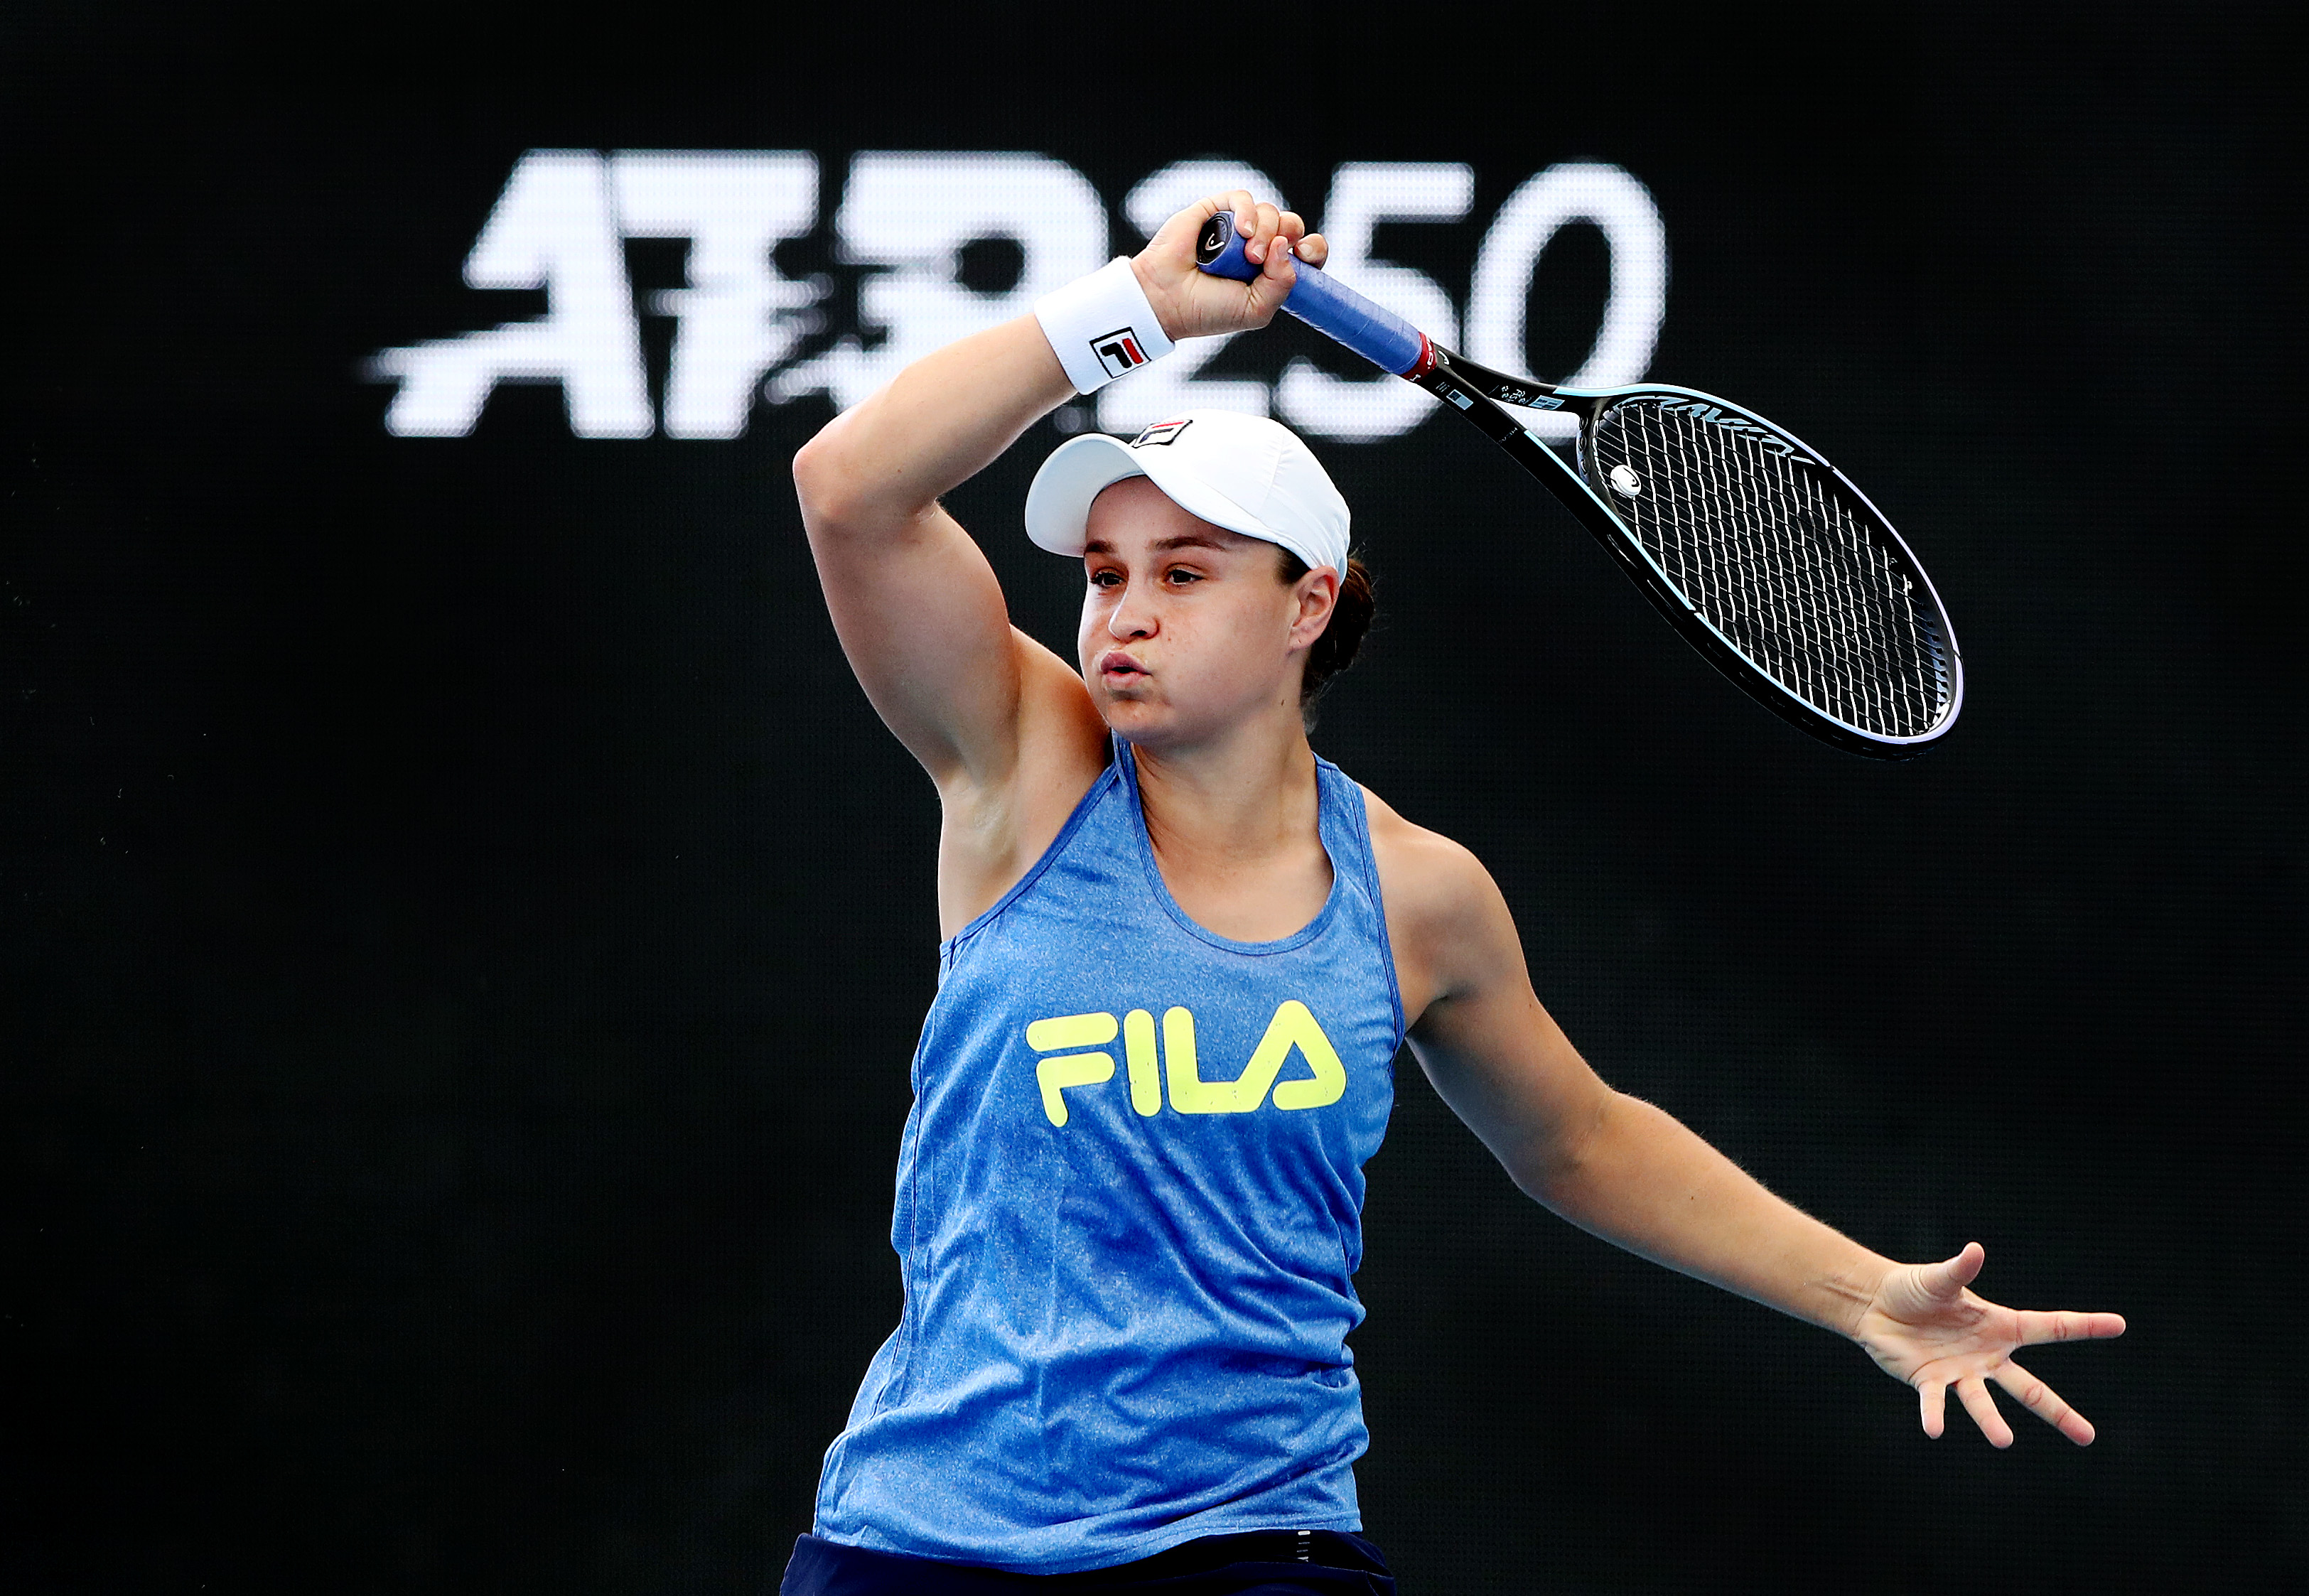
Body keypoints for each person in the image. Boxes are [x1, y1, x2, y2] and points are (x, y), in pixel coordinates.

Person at [780, 191, 2123, 1595]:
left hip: (1249, 1548)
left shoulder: (1416, 895)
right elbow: (849, 491)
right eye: (1104, 573)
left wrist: (1866, 1297)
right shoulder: (1020, 767)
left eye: (1182, 572)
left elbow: (1581, 1140)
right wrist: (1144, 309)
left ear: (1306, 604)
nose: (1122, 611)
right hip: (922, 1543)